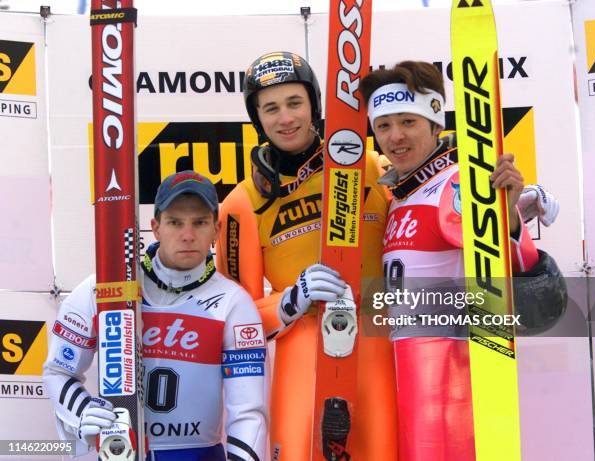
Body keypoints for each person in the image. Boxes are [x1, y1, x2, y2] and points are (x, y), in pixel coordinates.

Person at [359, 61, 566, 460]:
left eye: (408, 122)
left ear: (436, 124)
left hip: (448, 372)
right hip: (403, 369)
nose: (395, 137)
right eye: (383, 125)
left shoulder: (456, 183)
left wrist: (507, 219)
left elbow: (523, 284)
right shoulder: (398, 193)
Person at [215, 51, 399, 460]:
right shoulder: (241, 204)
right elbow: (232, 319)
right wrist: (289, 302)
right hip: (301, 354)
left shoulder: (373, 168)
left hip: (378, 345)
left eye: (295, 103)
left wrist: (508, 209)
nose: (285, 118)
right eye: (271, 108)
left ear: (315, 105)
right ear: (257, 119)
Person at [43, 171, 268, 461]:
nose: (188, 235)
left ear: (216, 228)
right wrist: (82, 411)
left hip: (197, 454)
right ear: (156, 227)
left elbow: (248, 412)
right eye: (175, 222)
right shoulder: (105, 288)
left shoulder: (234, 302)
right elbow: (59, 371)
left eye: (199, 223)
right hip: (124, 451)